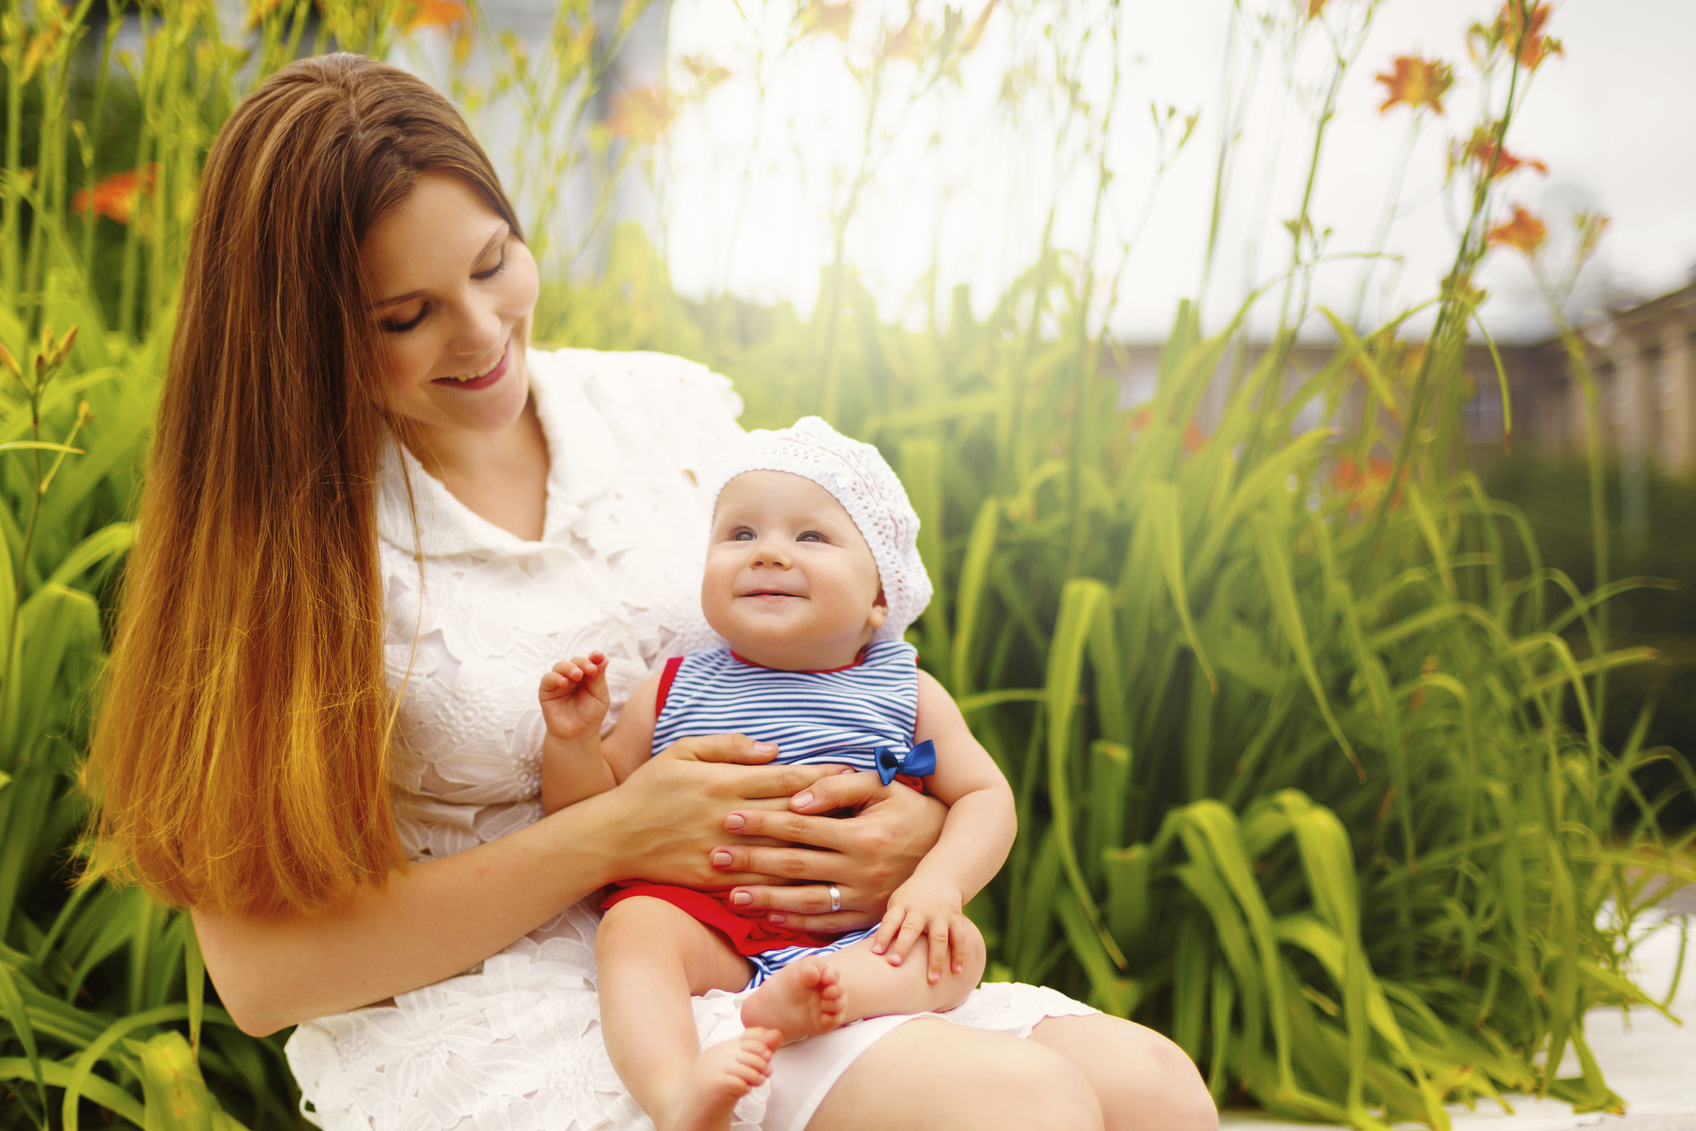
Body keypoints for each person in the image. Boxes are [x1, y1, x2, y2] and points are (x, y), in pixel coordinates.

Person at [80, 52, 1219, 1131]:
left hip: (772, 949)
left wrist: (903, 830)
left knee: (1155, 1093)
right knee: (1018, 1109)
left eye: (491, 264)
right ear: (300, 331)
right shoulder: (286, 546)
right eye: (404, 317)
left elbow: (834, 662)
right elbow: (266, 978)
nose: (482, 335)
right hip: (510, 1002)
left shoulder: (666, 417)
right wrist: (618, 833)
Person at [538, 417, 1024, 1131]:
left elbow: (985, 796)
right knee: (634, 929)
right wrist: (575, 743)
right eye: (739, 534)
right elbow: (588, 816)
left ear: (879, 597)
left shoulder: (905, 686)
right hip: (706, 917)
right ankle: (675, 1088)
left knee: (957, 950)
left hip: (860, 927)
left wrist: (936, 884)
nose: (767, 553)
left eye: (810, 536)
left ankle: (824, 993)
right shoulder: (675, 682)